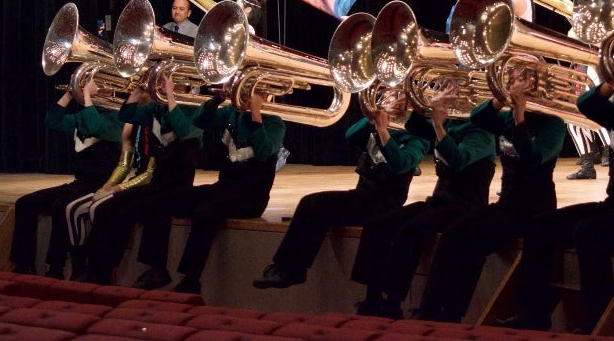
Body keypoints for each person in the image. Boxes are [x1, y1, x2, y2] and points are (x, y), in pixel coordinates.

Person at [499, 59, 614, 334]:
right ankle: (533, 314)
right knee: (541, 225)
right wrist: (613, 86)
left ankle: (597, 321)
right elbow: (586, 104)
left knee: (589, 231)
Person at [413, 67, 565, 323]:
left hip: (534, 208)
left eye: (520, 79)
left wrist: (519, 119)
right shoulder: (504, 118)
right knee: (452, 234)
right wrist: (499, 99)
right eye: (511, 79)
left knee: (474, 240)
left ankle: (453, 314)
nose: (513, 84)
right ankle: (429, 309)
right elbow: (478, 116)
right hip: (507, 203)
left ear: (537, 85)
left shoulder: (553, 124)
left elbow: (533, 158)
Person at [252, 87, 431, 290]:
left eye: (397, 95)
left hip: (384, 204)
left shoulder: (416, 138)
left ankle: (292, 270)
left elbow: (400, 164)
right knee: (310, 203)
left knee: (317, 205)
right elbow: (351, 135)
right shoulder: (379, 127)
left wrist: (382, 131)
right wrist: (371, 117)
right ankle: (287, 267)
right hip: (363, 196)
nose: (388, 98)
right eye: (388, 94)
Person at [351, 83, 496, 320]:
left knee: (412, 230)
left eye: (452, 93)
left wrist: (438, 124)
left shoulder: (481, 132)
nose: (445, 97)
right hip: (440, 202)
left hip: (466, 207)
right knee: (380, 224)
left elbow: (458, 160)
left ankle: (393, 301)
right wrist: (416, 104)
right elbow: (414, 126)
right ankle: (373, 297)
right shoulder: (450, 124)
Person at [129, 84, 285, 295]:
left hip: (250, 198)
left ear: (268, 95)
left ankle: (191, 280)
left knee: (206, 212)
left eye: (256, 92)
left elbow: (264, 151)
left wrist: (256, 112)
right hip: (223, 188)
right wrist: (218, 98)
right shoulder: (231, 113)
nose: (249, 96)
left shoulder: (275, 123)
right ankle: (157, 269)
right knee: (163, 200)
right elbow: (200, 121)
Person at [75, 74, 203, 285]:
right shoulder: (154, 109)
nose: (163, 84)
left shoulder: (194, 112)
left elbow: (182, 129)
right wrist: (136, 91)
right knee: (107, 207)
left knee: (139, 210)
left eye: (171, 81)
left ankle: (157, 270)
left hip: (179, 186)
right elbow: (126, 114)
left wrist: (170, 95)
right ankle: (96, 268)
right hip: (158, 183)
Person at [10, 79, 122, 277]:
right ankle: (24, 264)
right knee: (25, 203)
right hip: (80, 183)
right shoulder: (81, 117)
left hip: (101, 185)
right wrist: (71, 93)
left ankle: (56, 266)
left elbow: (96, 127)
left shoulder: (117, 119)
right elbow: (52, 121)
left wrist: (86, 96)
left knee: (61, 206)